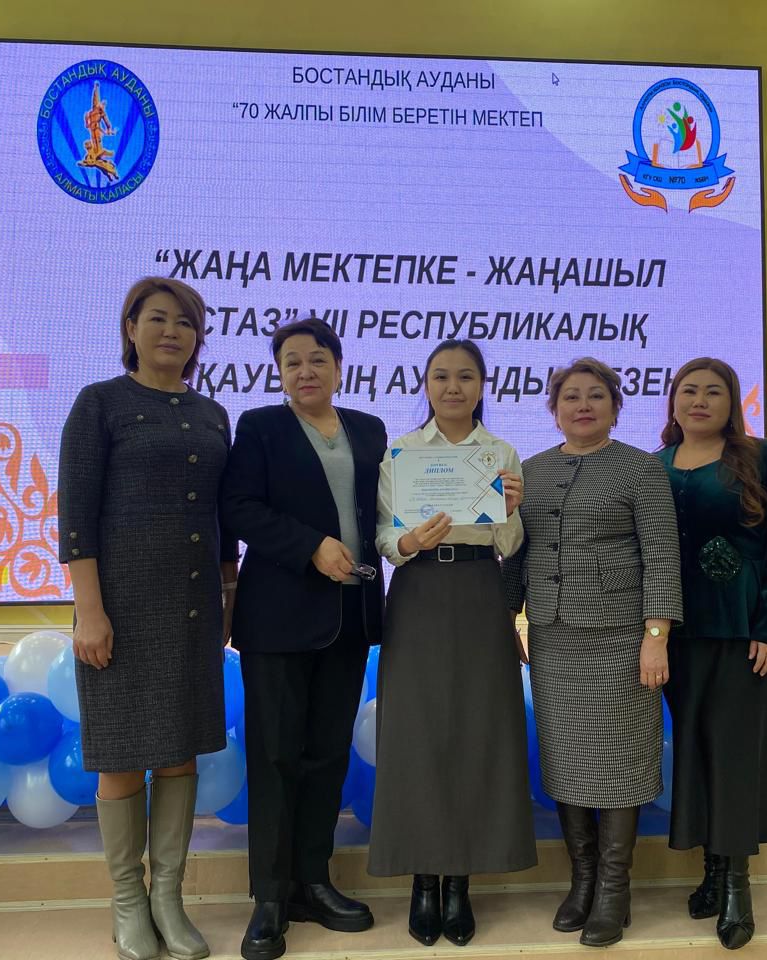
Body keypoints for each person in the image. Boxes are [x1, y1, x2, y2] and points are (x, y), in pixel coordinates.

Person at [58, 276, 236, 960]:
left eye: (185, 323)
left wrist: (229, 596)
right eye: (158, 318)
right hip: (122, 607)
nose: (172, 331)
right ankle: (128, 902)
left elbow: (222, 519)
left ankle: (168, 897)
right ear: (130, 328)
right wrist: (89, 610)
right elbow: (76, 515)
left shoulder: (212, 413)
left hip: (192, 607)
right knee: (124, 754)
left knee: (179, 750)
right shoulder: (100, 403)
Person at [219, 318, 387, 960]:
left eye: (317, 359)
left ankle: (314, 881)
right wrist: (310, 545)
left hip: (351, 616)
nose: (305, 370)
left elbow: (390, 508)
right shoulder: (261, 427)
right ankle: (270, 896)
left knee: (326, 755)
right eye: (292, 362)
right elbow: (238, 507)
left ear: (339, 366)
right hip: (280, 618)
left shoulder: (369, 430)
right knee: (275, 756)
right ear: (280, 374)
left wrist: (485, 496)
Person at [502, 357, 681, 948]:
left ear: (615, 407)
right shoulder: (530, 471)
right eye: (571, 397)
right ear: (554, 409)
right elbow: (517, 553)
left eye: (596, 395)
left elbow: (661, 555)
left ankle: (614, 889)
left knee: (621, 759)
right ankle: (581, 882)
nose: (583, 405)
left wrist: (656, 637)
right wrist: (507, 618)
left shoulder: (640, 468)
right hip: (553, 637)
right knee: (567, 757)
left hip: (621, 637)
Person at [369, 340, 536, 948]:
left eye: (465, 376)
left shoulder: (500, 453)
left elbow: (510, 546)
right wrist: (407, 542)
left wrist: (511, 510)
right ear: (426, 385)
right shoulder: (401, 453)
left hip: (478, 590)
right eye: (441, 376)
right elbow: (382, 537)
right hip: (417, 591)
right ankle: (423, 880)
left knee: (476, 730)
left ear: (483, 385)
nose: (453, 387)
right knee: (417, 734)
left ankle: (460, 880)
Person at [656, 357, 767, 951]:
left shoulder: (764, 457)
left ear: (732, 402)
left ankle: (738, 884)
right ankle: (711, 871)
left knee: (736, 755)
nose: (699, 400)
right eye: (688, 390)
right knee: (696, 751)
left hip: (743, 632)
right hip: (675, 633)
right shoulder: (655, 465)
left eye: (713, 391)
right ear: (672, 401)